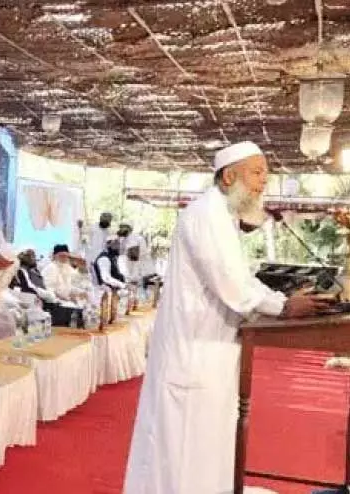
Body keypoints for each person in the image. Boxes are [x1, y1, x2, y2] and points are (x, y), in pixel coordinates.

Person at [123, 141, 331, 494]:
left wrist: (281, 300)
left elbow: (243, 278)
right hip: (194, 353)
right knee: (185, 447)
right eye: (257, 172)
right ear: (229, 176)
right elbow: (231, 284)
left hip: (211, 351)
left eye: (265, 174)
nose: (263, 181)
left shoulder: (221, 216)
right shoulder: (207, 215)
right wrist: (283, 307)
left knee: (203, 447)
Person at [15, 247, 77, 327]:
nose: (64, 258)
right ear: (55, 256)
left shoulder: (68, 269)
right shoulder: (50, 268)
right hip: (45, 301)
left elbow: (72, 285)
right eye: (62, 256)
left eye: (66, 256)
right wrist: (54, 296)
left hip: (55, 300)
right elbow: (35, 288)